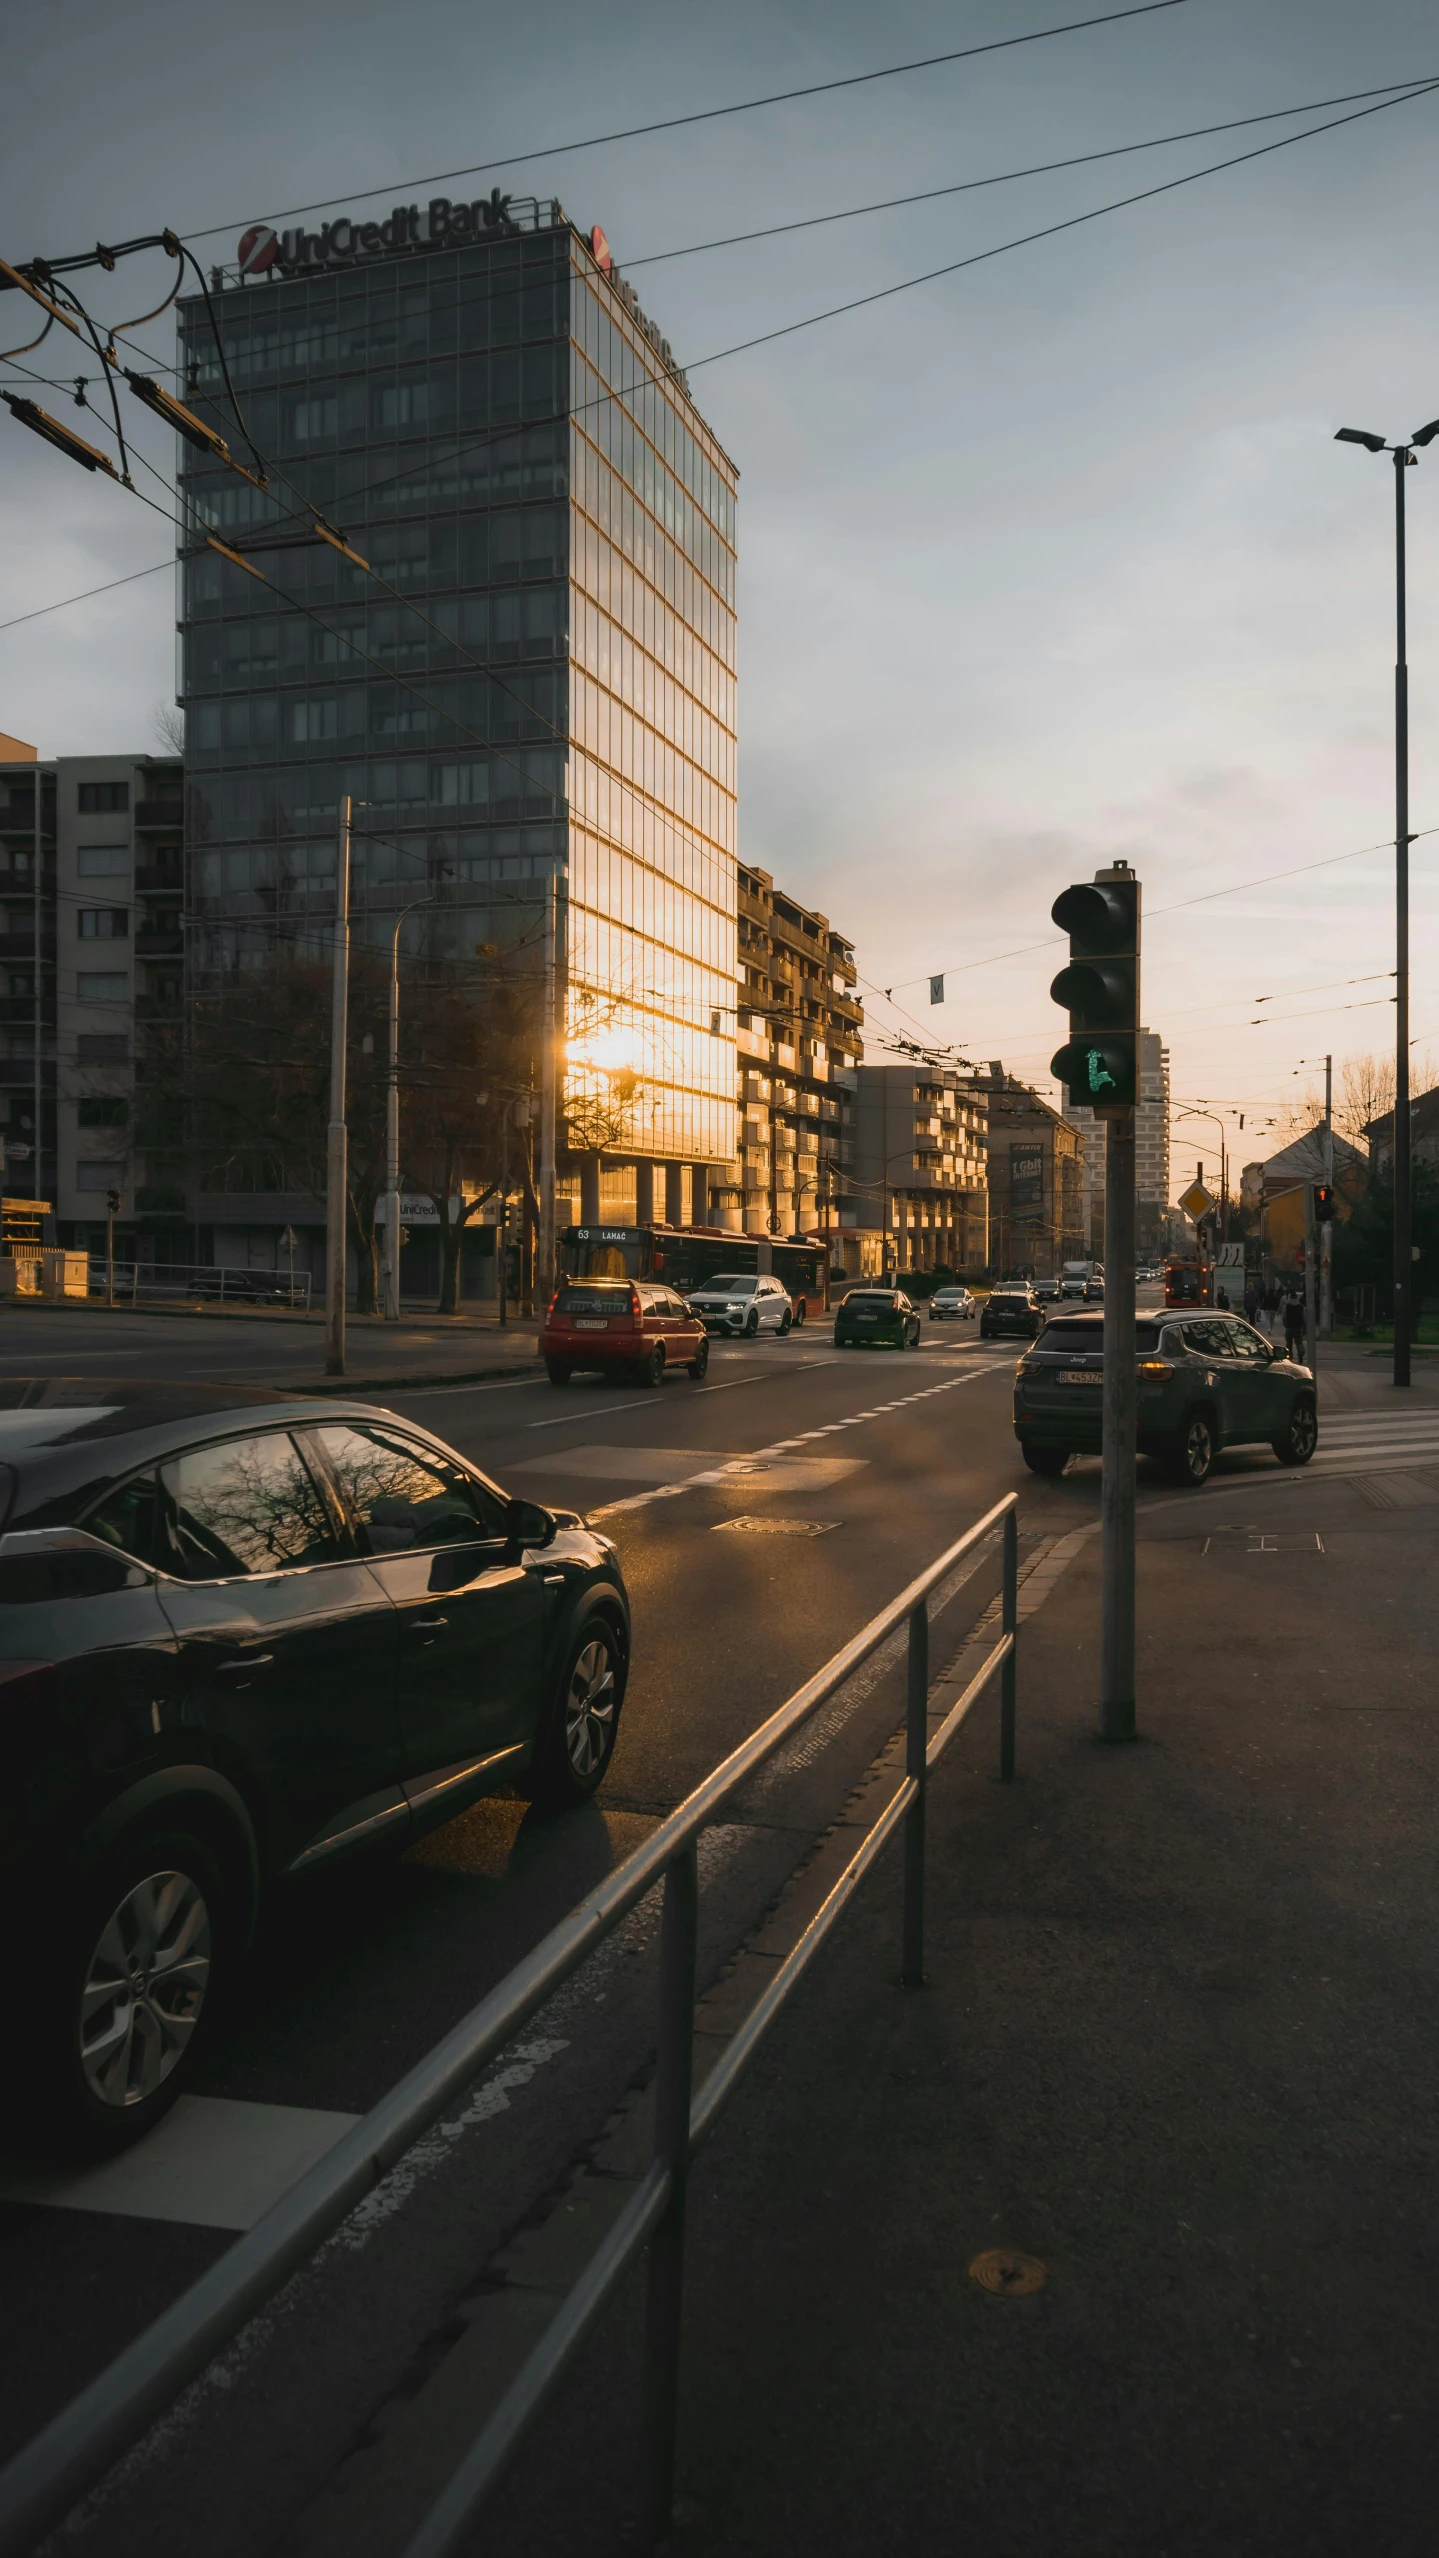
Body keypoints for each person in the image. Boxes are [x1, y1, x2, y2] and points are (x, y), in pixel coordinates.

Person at [1283, 1286, 1306, 1360]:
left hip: (1289, 1327)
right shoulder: (1301, 1307)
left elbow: (1284, 1316)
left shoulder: (1286, 1306)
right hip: (1298, 1327)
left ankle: (1289, 1355)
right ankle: (1300, 1353)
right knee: (1299, 1342)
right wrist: (1303, 1325)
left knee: (1289, 1342)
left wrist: (1285, 1324)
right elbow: (1304, 1317)